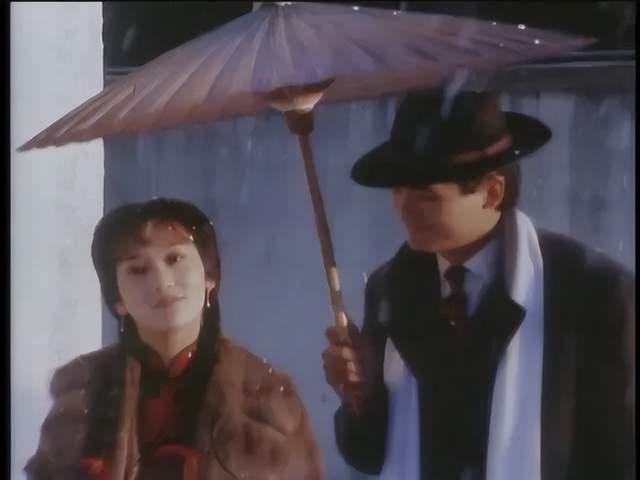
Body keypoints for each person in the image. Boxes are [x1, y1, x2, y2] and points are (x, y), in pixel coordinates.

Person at [322, 90, 635, 480]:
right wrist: (361, 396)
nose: (403, 209)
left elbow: (620, 456)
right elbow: (368, 455)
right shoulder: (392, 289)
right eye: (398, 191)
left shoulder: (591, 294)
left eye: (426, 196)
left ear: (492, 193)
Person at [26, 198, 325, 480]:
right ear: (117, 299)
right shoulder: (83, 391)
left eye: (175, 258)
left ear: (210, 277)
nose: (161, 282)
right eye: (138, 269)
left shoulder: (264, 395)